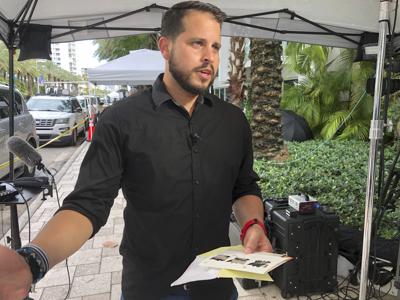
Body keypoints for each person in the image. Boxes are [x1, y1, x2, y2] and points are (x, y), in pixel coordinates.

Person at [0, 1, 272, 299]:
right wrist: (32, 261)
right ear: (165, 47)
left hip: (216, 283)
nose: (209, 57)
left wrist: (253, 224)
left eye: (216, 47)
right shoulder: (120, 120)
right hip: (151, 287)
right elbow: (87, 205)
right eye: (197, 43)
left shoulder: (233, 121)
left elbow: (244, 186)